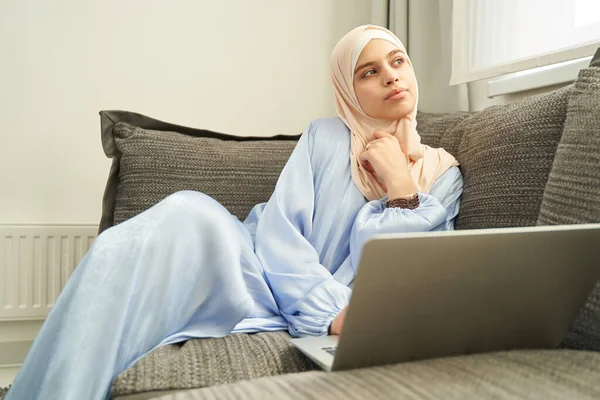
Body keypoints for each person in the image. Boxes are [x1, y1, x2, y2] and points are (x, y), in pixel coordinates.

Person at [5, 24, 463, 400]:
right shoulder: (326, 138)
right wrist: (329, 312)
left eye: (398, 61)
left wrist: (401, 188)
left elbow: (403, 272)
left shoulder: (443, 174)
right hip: (248, 265)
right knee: (153, 230)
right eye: (368, 71)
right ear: (348, 89)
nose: (390, 76)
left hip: (287, 305)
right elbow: (280, 240)